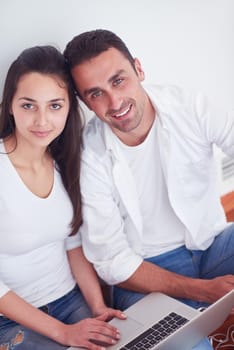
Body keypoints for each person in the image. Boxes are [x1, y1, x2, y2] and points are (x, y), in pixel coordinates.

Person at [64, 29, 234, 350]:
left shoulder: (190, 105)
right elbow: (113, 262)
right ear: (84, 101)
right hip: (148, 273)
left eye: (119, 80)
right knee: (183, 345)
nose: (115, 103)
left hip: (211, 243)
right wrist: (202, 290)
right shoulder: (87, 158)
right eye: (96, 93)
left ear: (139, 69)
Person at [0, 45, 126, 350]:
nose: (42, 121)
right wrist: (63, 333)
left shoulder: (64, 161)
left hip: (70, 300)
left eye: (55, 106)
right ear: (9, 106)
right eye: (29, 105)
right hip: (12, 319)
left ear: (69, 107)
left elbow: (72, 244)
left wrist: (97, 307)